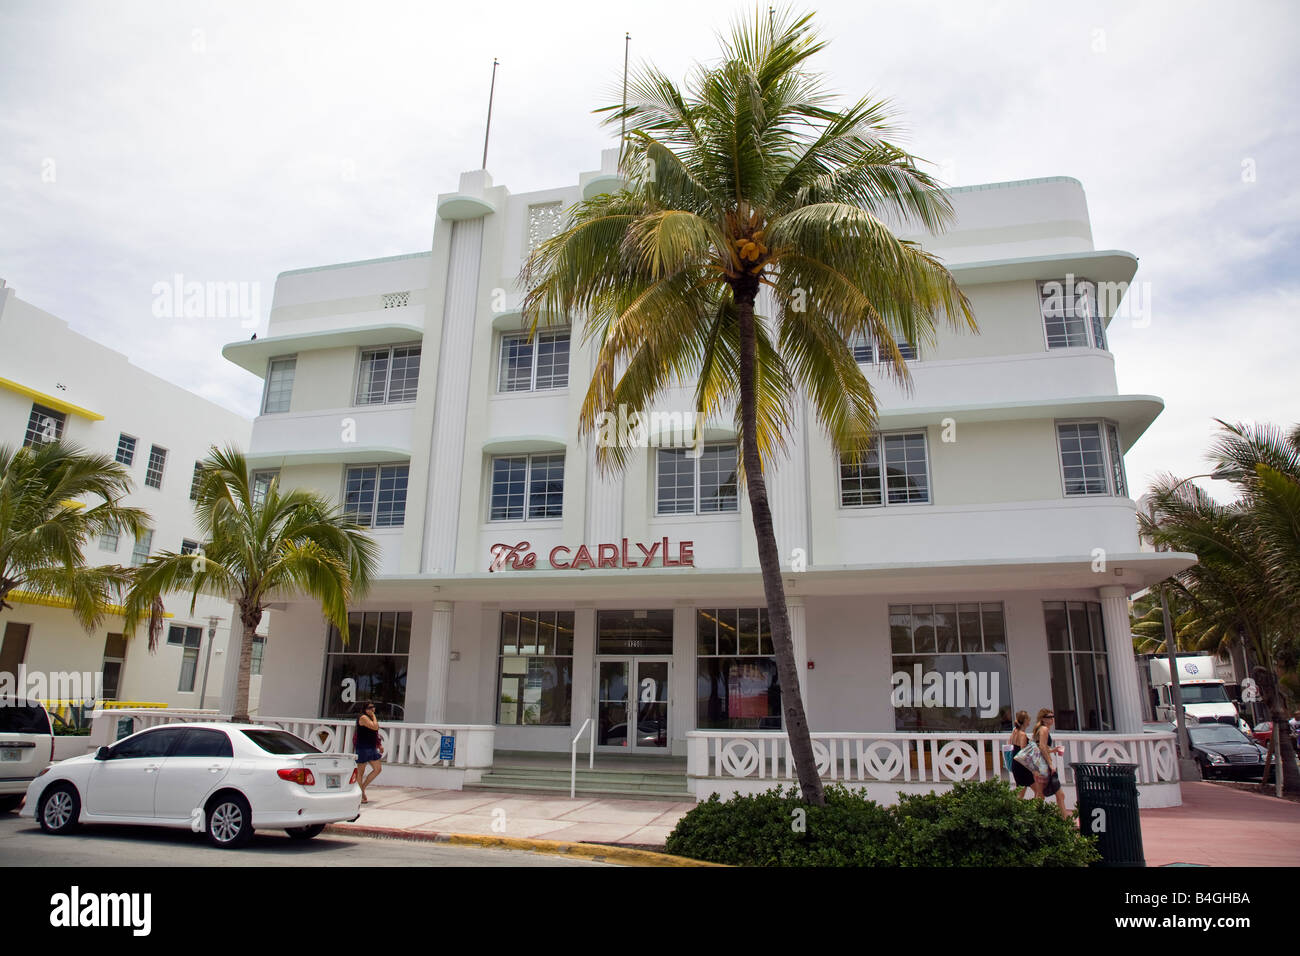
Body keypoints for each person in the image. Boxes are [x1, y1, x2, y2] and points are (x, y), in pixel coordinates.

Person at [1027, 708, 1069, 819]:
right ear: (1043, 719)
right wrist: (1050, 764)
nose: (1052, 719)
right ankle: (1065, 821)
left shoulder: (1039, 729)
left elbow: (1041, 747)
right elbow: (1041, 747)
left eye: (1053, 717)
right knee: (1046, 795)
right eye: (1049, 717)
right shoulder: (1044, 729)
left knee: (1042, 795)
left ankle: (1064, 820)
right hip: (1043, 766)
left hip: (1039, 765)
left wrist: (1053, 750)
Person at [354, 702, 384, 803]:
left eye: (373, 707)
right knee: (360, 772)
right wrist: (374, 716)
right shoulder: (363, 717)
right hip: (362, 747)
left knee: (377, 769)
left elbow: (375, 733)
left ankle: (362, 787)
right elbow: (375, 726)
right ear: (365, 709)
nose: (372, 709)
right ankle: (361, 794)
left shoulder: (371, 717)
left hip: (371, 747)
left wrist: (379, 745)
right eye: (370, 708)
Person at [1007, 710, 1035, 798]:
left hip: (1016, 764)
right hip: (1022, 766)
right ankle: (1035, 810)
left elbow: (1010, 743)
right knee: (1038, 791)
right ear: (1025, 721)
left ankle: (1018, 810)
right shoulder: (1022, 734)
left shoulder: (1015, 731)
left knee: (1021, 792)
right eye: (1028, 720)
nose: (1029, 721)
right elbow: (1023, 753)